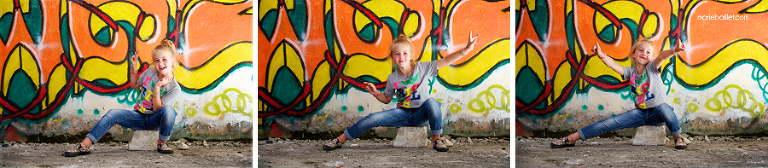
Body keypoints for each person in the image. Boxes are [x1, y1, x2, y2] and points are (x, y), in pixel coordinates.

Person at [323, 33, 479, 152]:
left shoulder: (422, 68)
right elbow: (386, 99)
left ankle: (436, 140)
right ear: (392, 58)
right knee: (372, 118)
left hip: (420, 115)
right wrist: (375, 92)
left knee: (432, 102)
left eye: (405, 53)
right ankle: (339, 140)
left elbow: (446, 61)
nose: (401, 56)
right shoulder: (393, 78)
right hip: (401, 114)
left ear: (411, 56)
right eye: (397, 54)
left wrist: (466, 50)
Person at [550, 39, 688, 149]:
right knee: (609, 123)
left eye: (648, 52)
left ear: (651, 58)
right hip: (640, 114)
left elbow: (663, 56)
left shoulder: (652, 68)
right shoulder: (630, 72)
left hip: (658, 114)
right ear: (633, 54)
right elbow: (613, 65)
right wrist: (601, 54)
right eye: (640, 50)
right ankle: (571, 139)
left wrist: (675, 50)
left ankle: (677, 137)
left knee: (664, 107)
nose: (644, 53)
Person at [64, 39, 182, 157]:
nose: (160, 64)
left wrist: (157, 88)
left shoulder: (174, 88)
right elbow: (134, 85)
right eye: (157, 60)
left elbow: (158, 110)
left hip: (154, 120)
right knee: (112, 114)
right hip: (139, 116)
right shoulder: (150, 72)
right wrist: (134, 68)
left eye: (164, 59)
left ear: (172, 61)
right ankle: (84, 146)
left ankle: (162, 143)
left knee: (169, 110)